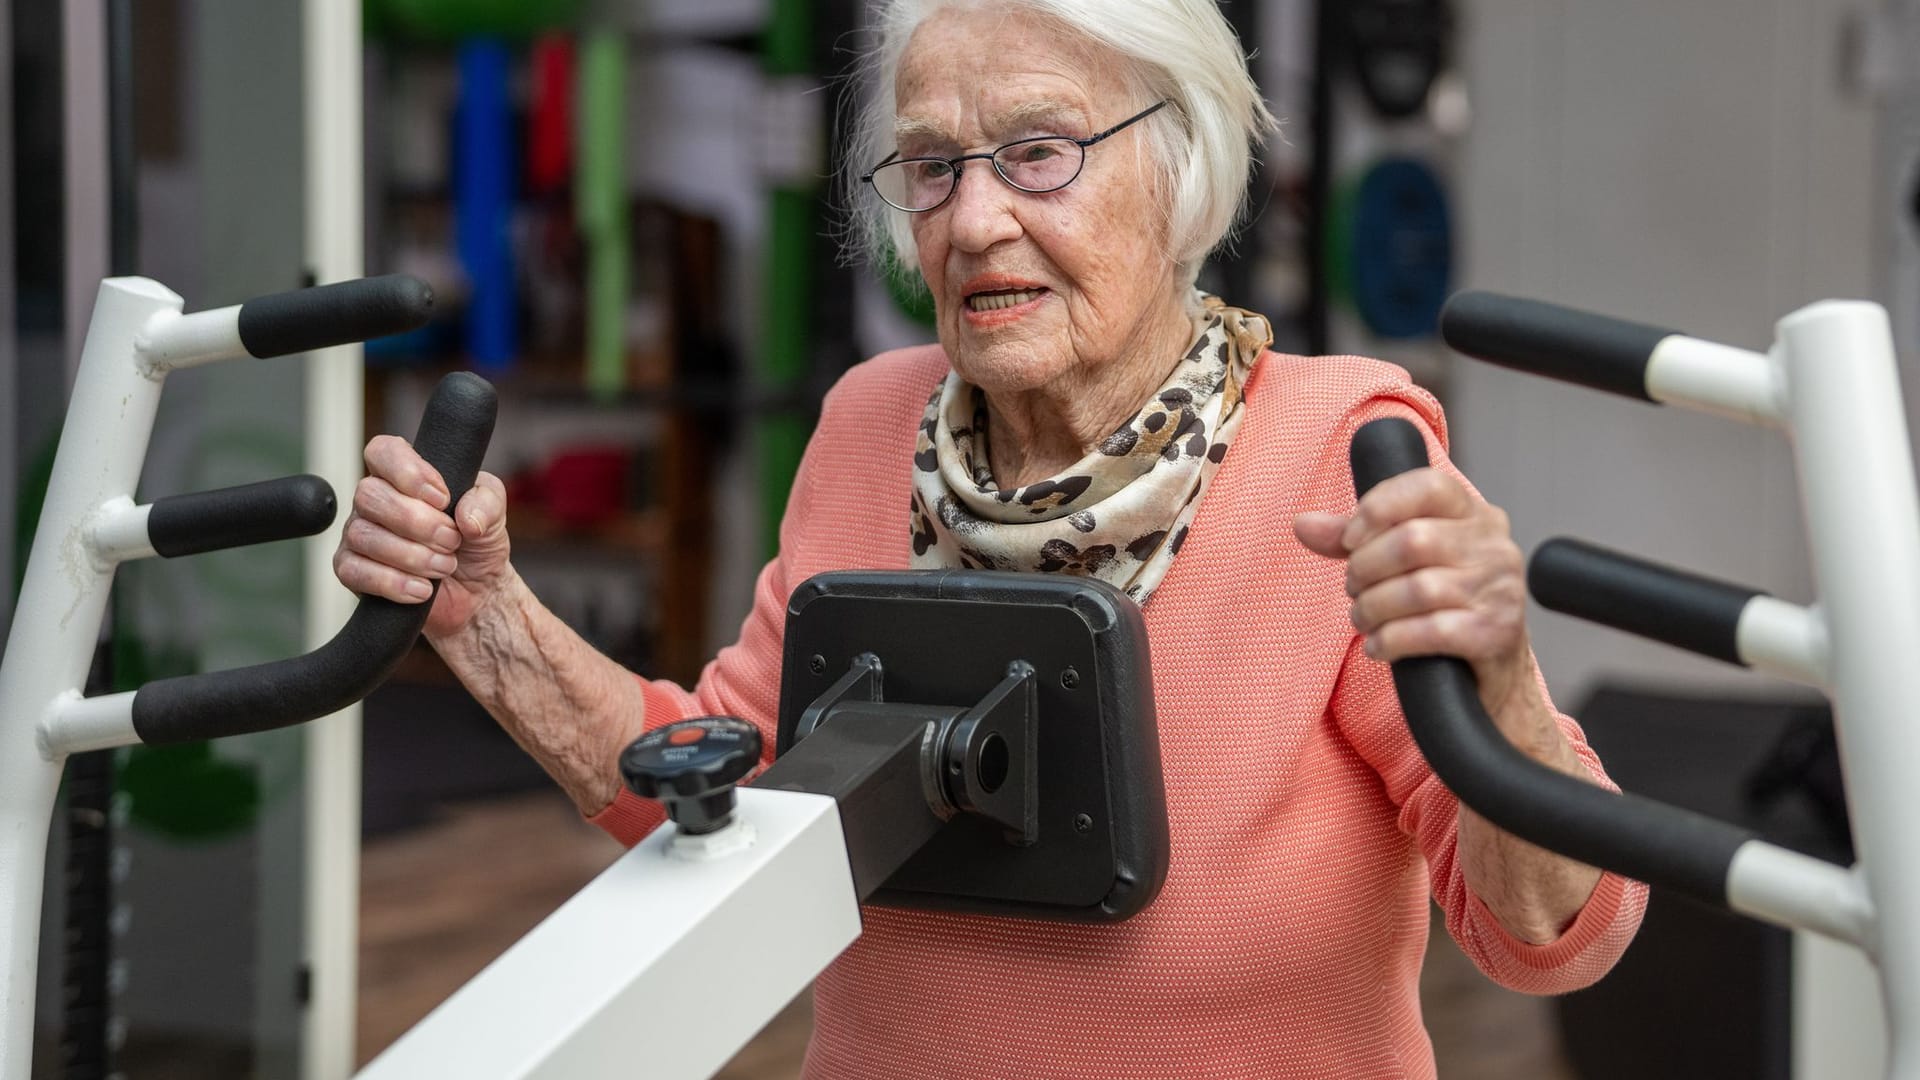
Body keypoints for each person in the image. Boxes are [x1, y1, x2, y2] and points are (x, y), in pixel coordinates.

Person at [335, 0, 1647, 1074]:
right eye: (933, 164)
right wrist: (483, 617)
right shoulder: (863, 428)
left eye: (1039, 152)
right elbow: (717, 803)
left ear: (1180, 166)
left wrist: (1498, 678)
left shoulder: (1339, 449)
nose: (970, 222)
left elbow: (1554, 936)